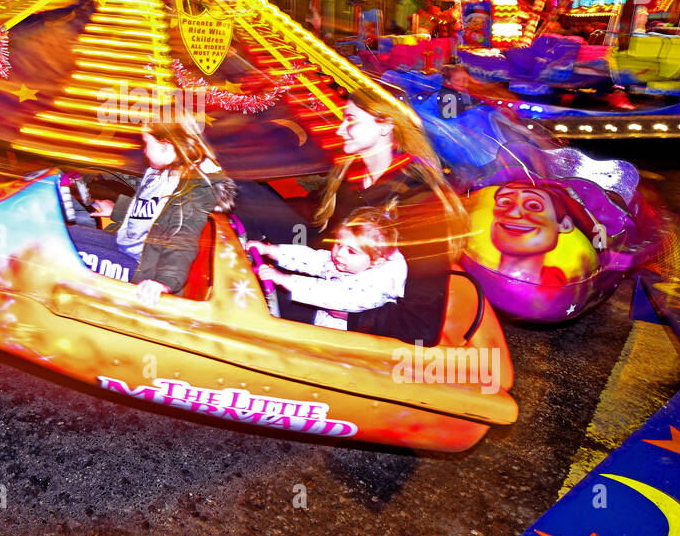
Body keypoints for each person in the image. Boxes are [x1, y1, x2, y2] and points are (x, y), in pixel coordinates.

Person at [306, 89, 468, 346]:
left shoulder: (419, 204)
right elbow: (316, 240)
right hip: (328, 301)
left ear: (386, 125)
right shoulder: (349, 179)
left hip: (369, 341)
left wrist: (348, 312)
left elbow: (421, 328)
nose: (339, 130)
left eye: (350, 119)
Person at [72, 118, 235, 305]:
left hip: (145, 268)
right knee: (66, 234)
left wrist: (164, 281)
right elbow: (153, 212)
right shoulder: (159, 172)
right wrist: (117, 209)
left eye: (146, 143)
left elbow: (182, 236)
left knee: (61, 249)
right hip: (129, 246)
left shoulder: (192, 187)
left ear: (166, 145)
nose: (144, 151)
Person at [252, 209, 406, 329]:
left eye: (352, 251)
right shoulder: (346, 262)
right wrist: (271, 251)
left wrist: (281, 278)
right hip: (321, 322)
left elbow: (328, 294)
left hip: (338, 343)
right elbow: (312, 259)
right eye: (338, 243)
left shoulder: (374, 287)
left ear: (377, 261)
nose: (340, 253)